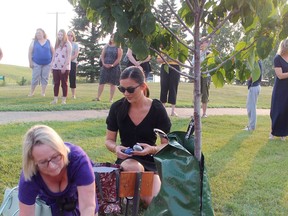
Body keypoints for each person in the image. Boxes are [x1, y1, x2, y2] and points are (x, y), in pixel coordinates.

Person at [105, 66, 171, 205]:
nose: (126, 93)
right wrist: (116, 148)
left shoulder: (157, 109)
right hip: (128, 161)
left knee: (152, 202)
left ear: (142, 86)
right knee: (134, 168)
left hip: (150, 161)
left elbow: (166, 144)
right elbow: (109, 140)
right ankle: (128, 196)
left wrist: (152, 149)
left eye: (130, 89)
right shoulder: (117, 108)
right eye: (122, 89)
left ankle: (131, 192)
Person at [18, 124, 98, 216]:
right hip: (50, 209)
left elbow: (87, 207)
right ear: (33, 162)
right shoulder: (29, 175)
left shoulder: (78, 159)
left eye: (55, 157)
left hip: (82, 204)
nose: (52, 166)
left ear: (62, 149)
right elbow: (25, 214)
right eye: (43, 162)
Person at [94, 33, 123, 102]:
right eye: (111, 37)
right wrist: (104, 63)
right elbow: (102, 55)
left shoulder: (119, 48)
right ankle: (98, 97)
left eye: (114, 37)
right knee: (102, 82)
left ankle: (111, 98)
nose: (112, 39)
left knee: (113, 83)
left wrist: (112, 65)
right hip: (105, 66)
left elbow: (119, 58)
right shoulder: (106, 46)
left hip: (114, 67)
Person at [270, 38, 288, 140]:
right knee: (277, 110)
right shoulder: (277, 58)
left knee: (286, 111)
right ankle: (273, 132)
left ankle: (283, 134)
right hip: (280, 89)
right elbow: (280, 75)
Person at [28, 28, 54, 97]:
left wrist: (52, 62)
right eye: (37, 33)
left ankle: (43, 93)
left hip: (47, 63)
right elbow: (30, 52)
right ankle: (31, 92)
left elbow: (53, 52)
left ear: (43, 33)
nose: (38, 34)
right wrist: (30, 62)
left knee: (45, 78)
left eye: (39, 33)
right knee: (35, 78)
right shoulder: (34, 42)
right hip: (36, 63)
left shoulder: (48, 41)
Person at [51, 29, 72, 105]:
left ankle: (63, 100)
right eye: (58, 35)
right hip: (56, 67)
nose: (60, 36)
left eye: (61, 35)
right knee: (56, 83)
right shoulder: (57, 44)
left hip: (64, 67)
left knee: (64, 83)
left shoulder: (68, 44)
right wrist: (52, 64)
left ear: (64, 35)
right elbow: (54, 55)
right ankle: (55, 99)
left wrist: (64, 66)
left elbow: (69, 56)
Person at [156, 52, 180, 116]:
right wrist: (167, 58)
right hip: (164, 66)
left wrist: (169, 58)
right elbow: (158, 60)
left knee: (173, 88)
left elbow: (181, 60)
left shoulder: (177, 48)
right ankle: (163, 110)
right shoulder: (164, 49)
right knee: (164, 87)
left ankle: (173, 111)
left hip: (175, 67)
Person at [243, 60, 263, 131]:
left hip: (254, 86)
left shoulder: (255, 61)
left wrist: (245, 75)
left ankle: (251, 127)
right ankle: (251, 126)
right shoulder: (257, 61)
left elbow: (251, 76)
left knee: (251, 108)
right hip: (255, 86)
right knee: (250, 107)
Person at [67, 30, 79, 99]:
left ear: (73, 37)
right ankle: (64, 93)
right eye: (68, 35)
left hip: (72, 63)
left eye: (71, 35)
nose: (69, 37)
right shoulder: (64, 44)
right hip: (64, 63)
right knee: (64, 79)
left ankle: (73, 94)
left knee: (72, 79)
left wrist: (69, 59)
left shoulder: (75, 44)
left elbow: (76, 54)